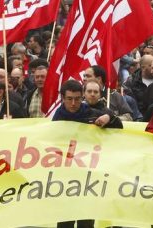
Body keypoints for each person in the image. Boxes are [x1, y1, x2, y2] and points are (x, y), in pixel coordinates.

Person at [53, 79, 122, 228]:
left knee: (86, 221)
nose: (73, 103)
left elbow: (119, 127)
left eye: (77, 99)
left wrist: (109, 117)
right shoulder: (56, 119)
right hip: (64, 178)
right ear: (62, 98)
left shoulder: (93, 114)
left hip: (88, 178)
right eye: (69, 99)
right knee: (65, 220)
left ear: (82, 97)